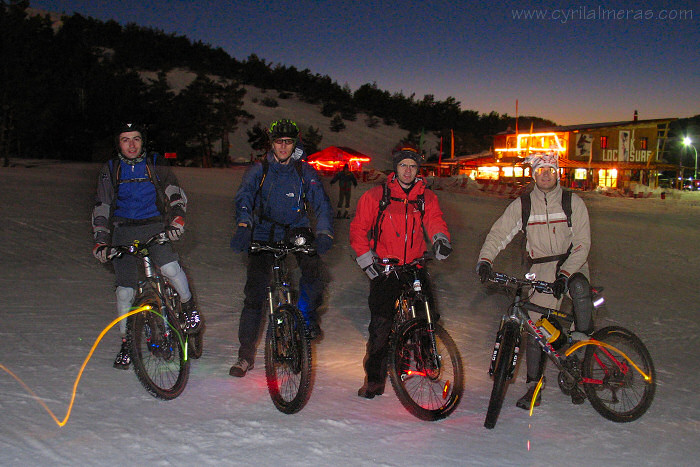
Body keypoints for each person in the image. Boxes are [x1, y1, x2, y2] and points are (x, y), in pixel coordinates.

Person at [476, 152, 593, 409]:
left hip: (571, 264)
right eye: (541, 171)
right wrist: (486, 259)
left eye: (551, 170)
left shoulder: (573, 202)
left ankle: (579, 361)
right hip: (540, 268)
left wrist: (565, 273)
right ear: (534, 175)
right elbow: (499, 232)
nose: (546, 174)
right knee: (536, 327)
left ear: (558, 173)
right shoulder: (524, 204)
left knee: (581, 291)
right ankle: (534, 387)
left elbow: (583, 244)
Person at [229, 119, 334, 377]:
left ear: (294, 144)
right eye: (278, 142)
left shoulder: (304, 172)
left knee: (316, 272)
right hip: (264, 231)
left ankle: (306, 318)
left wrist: (323, 231)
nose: (283, 147)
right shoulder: (260, 170)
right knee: (255, 294)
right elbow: (244, 196)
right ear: (272, 144)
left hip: (296, 230)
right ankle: (245, 355)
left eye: (288, 142)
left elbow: (320, 203)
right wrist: (244, 224)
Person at [92, 123, 201, 370]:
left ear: (143, 142)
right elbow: (102, 206)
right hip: (123, 231)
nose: (131, 145)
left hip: (154, 225)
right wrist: (101, 239)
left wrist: (177, 218)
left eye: (136, 139)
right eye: (125, 140)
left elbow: (174, 192)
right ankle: (127, 342)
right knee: (124, 292)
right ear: (118, 144)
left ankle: (188, 306)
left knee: (170, 269)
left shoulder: (154, 163)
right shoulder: (112, 169)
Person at [349, 148, 452, 398]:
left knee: (428, 316)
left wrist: (440, 239)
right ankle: (374, 379)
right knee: (381, 325)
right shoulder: (377, 196)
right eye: (403, 165)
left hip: (414, 265)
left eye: (413, 166)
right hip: (386, 267)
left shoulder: (425, 197)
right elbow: (358, 229)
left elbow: (435, 220)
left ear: (418, 170)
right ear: (395, 168)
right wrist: (366, 260)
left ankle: (427, 363)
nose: (408, 170)